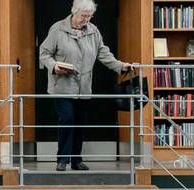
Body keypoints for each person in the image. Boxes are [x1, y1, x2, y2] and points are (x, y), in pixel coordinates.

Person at [39, 0, 132, 172]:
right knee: (67, 120)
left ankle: (76, 160)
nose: (86, 20)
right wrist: (54, 66)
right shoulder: (58, 29)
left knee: (80, 123)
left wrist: (120, 66)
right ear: (74, 12)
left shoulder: (93, 31)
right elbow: (44, 53)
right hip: (62, 86)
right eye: (83, 16)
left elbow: (103, 53)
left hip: (84, 87)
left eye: (89, 16)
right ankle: (62, 160)